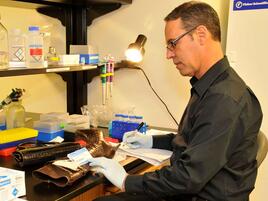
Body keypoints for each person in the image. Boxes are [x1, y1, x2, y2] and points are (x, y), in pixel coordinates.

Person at [89, 1, 263, 201]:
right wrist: (152, 140)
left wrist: (126, 180)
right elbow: (196, 141)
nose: (168, 54)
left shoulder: (223, 98)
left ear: (201, 35)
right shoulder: (210, 86)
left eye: (173, 43)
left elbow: (189, 177)